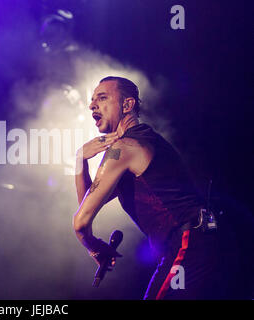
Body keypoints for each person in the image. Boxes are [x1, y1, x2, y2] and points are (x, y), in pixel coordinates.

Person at [73, 76, 228, 299]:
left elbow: (80, 221)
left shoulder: (124, 148)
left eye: (103, 97)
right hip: (202, 243)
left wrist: (94, 247)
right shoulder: (139, 142)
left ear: (128, 105)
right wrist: (81, 160)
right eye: (92, 100)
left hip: (189, 243)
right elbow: (87, 205)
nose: (92, 105)